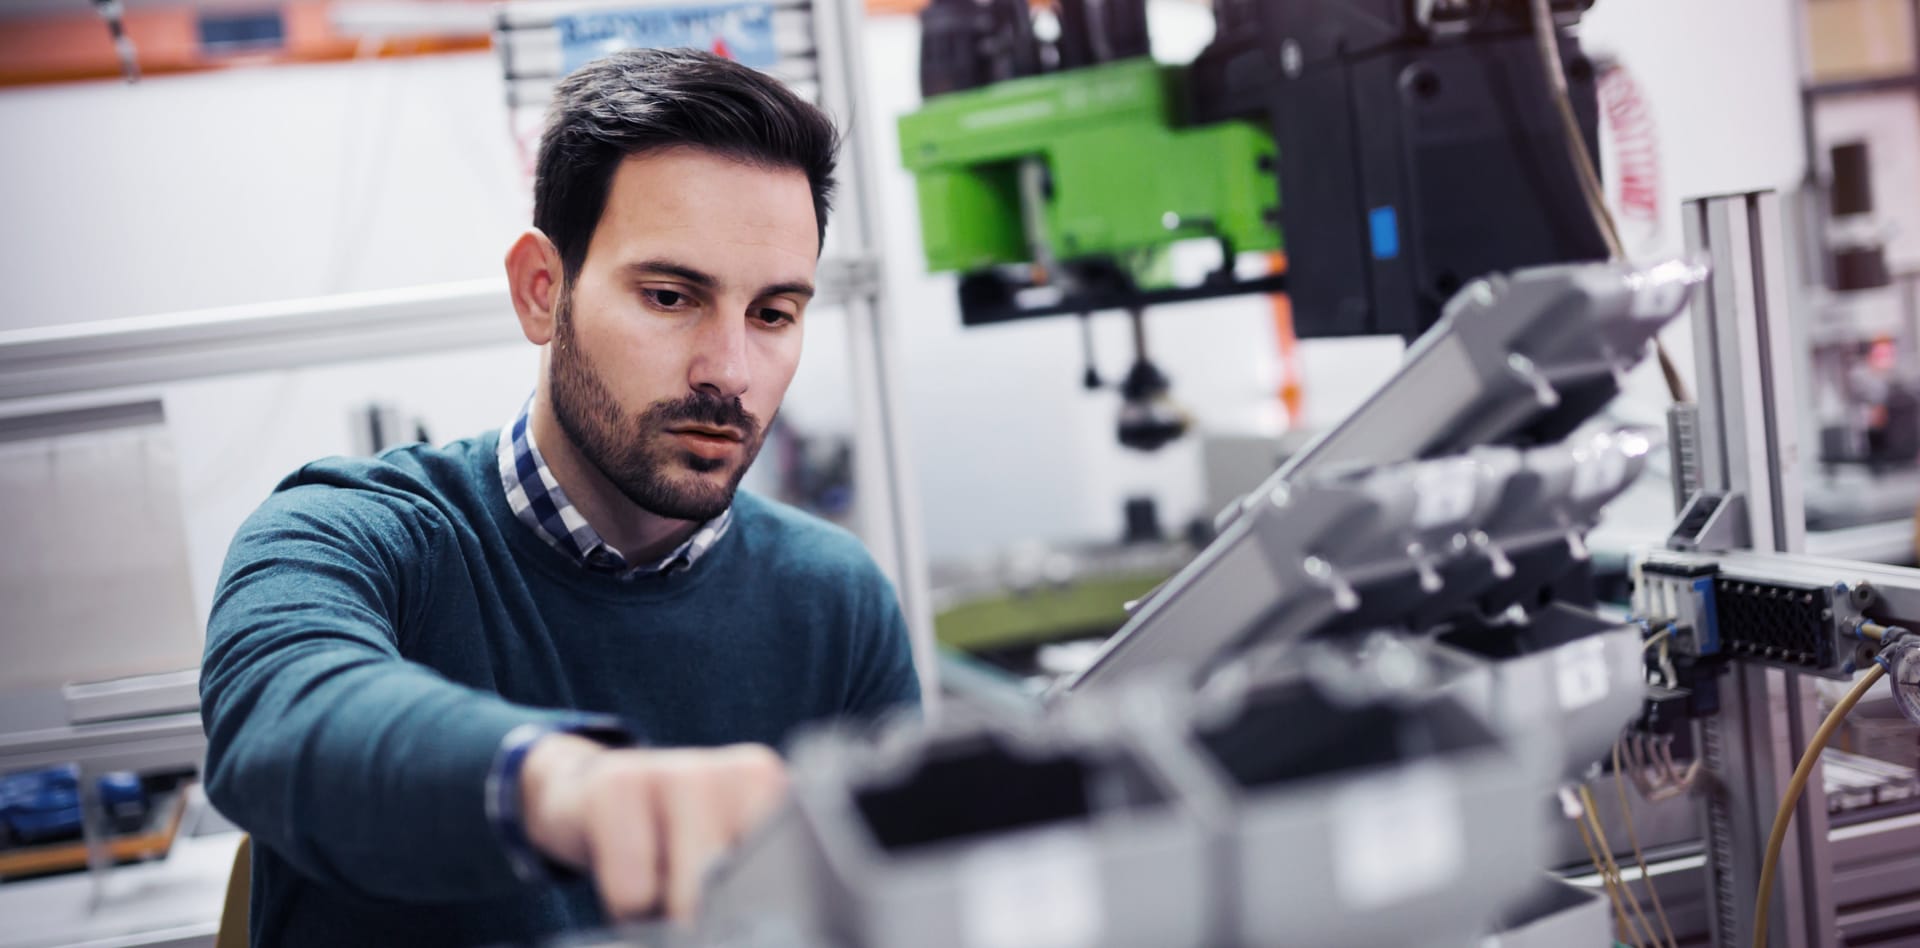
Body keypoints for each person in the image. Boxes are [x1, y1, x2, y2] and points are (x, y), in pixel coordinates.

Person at [199, 48, 922, 947]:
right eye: (669, 296)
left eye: (773, 313)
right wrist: (563, 786)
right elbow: (280, 714)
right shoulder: (348, 535)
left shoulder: (835, 602)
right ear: (543, 291)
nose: (730, 371)